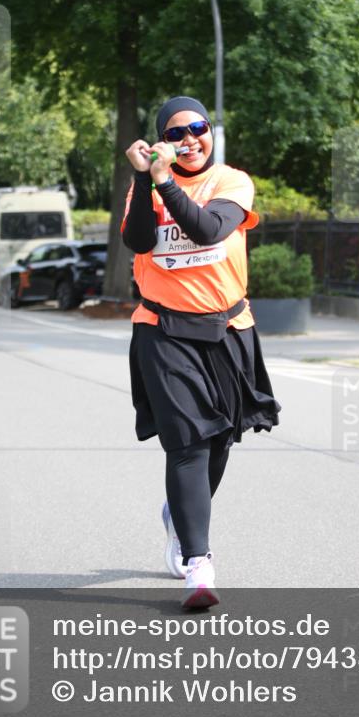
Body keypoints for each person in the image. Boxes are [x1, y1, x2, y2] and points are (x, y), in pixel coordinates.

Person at [121, 95, 281, 609]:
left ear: (211, 131)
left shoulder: (231, 182)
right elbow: (139, 241)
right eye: (176, 134)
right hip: (162, 328)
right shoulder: (143, 187)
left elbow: (209, 229)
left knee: (219, 443)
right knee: (188, 441)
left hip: (229, 326)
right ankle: (199, 564)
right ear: (161, 141)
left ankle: (178, 515)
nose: (190, 140)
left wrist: (166, 181)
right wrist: (147, 180)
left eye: (198, 128)